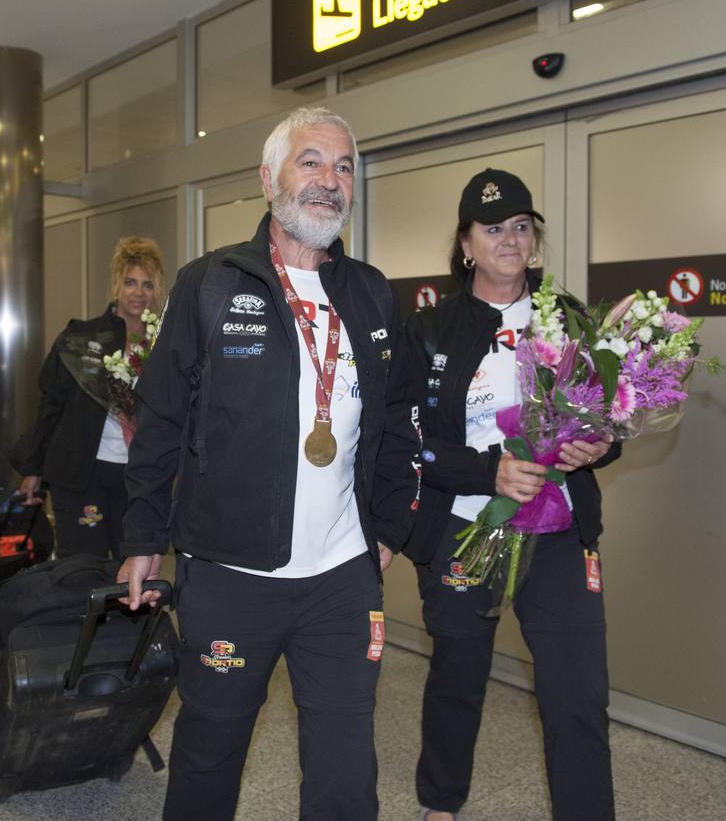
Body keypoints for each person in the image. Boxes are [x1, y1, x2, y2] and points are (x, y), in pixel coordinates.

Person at [118, 107, 420, 821]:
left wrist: (388, 528)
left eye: (344, 166)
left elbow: (402, 420)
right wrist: (140, 538)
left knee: (347, 775)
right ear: (268, 178)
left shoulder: (373, 293)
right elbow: (159, 419)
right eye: (310, 162)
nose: (330, 181)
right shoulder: (210, 285)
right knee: (209, 757)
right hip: (231, 576)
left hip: (342, 581)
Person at [401, 168, 620, 821]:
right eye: (493, 229)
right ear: (466, 243)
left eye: (521, 227)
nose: (509, 240)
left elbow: (611, 416)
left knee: (577, 690)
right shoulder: (432, 329)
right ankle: (441, 804)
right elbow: (409, 444)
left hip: (557, 534)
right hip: (476, 528)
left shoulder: (571, 318)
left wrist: (603, 446)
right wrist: (485, 472)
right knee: (458, 678)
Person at [9, 236, 165, 558]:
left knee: (130, 570)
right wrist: (33, 467)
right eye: (130, 282)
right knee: (81, 570)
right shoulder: (81, 338)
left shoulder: (164, 343)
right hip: (81, 472)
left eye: (147, 285)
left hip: (137, 477)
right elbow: (51, 404)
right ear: (116, 286)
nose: (138, 292)